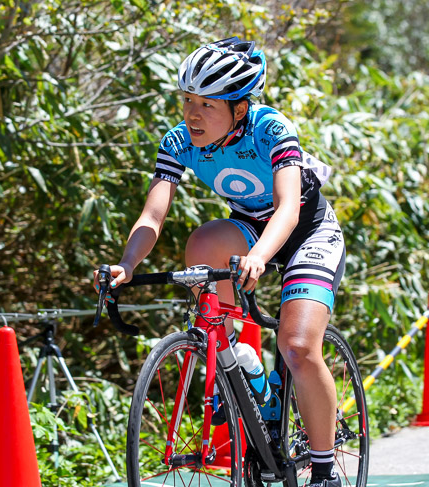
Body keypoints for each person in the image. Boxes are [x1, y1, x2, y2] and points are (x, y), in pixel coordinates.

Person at [94, 37, 346, 486]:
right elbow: (153, 214)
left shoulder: (270, 128)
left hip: (307, 231)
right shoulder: (178, 141)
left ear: (240, 109)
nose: (192, 113)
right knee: (204, 242)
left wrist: (260, 257)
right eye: (187, 100)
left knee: (298, 348)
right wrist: (127, 264)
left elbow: (288, 208)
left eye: (207, 104)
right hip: (250, 225)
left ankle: (324, 470)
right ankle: (242, 360)